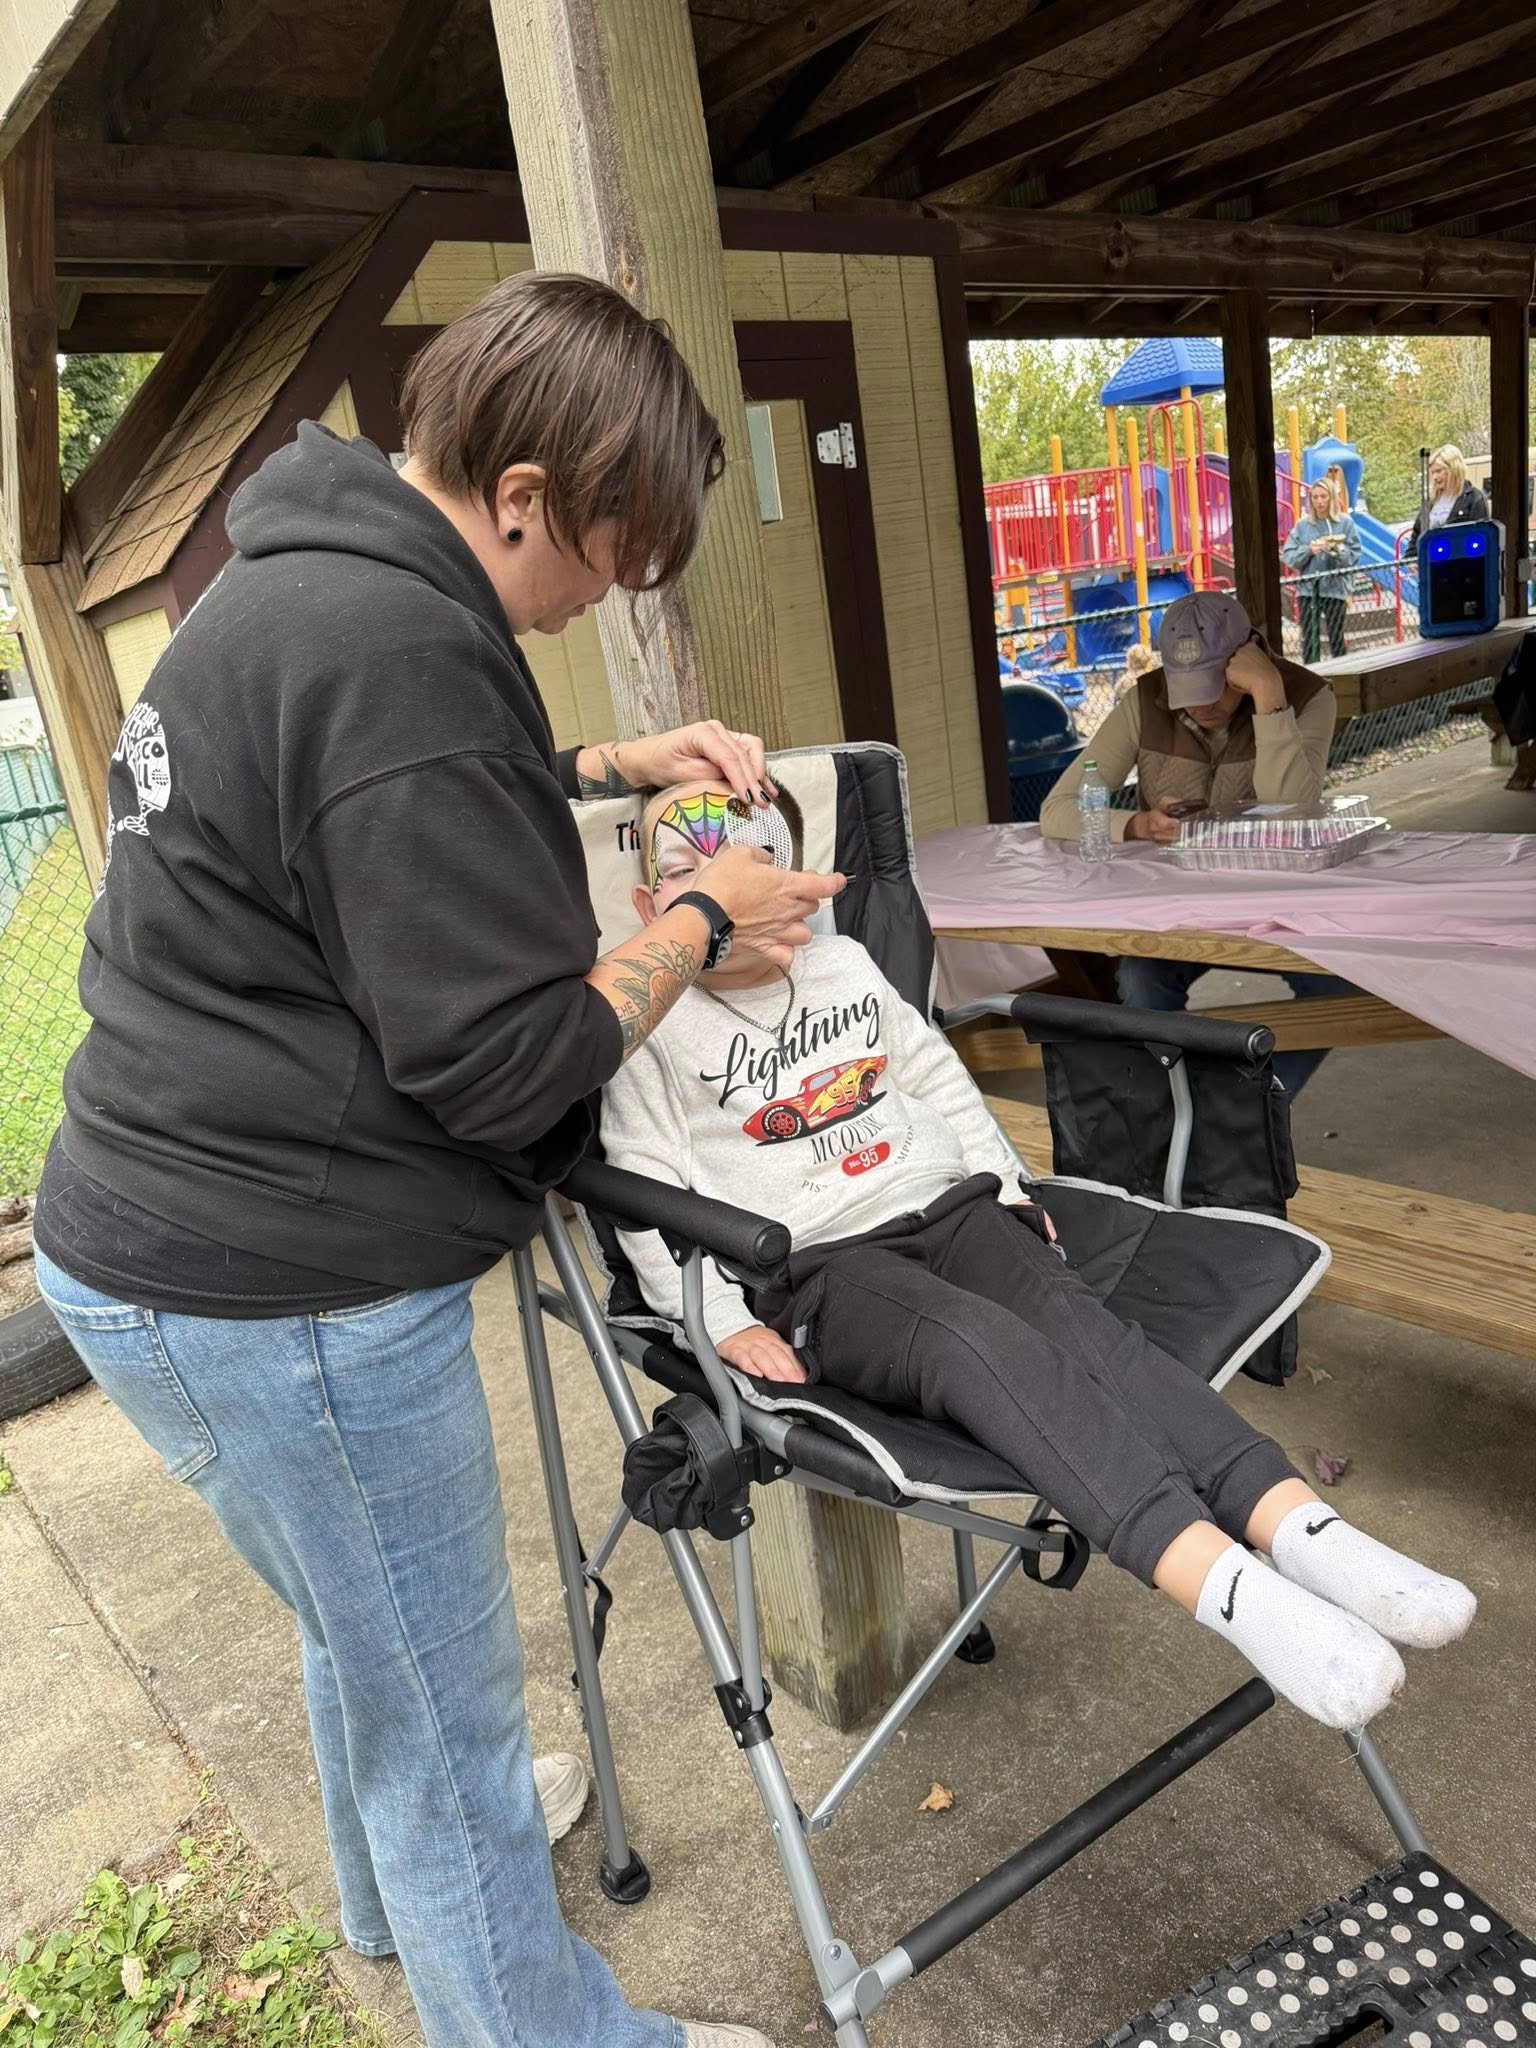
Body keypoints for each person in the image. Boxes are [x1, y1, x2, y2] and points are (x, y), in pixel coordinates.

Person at [31, 272, 846, 2048]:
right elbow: (505, 1061)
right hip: (284, 1282)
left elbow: (401, 779)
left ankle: (381, 1900)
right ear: (525, 497)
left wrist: (613, 762)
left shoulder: (300, 580)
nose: (597, 606)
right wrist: (706, 911)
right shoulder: (396, 650)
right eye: (606, 562)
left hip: (140, 1246)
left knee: (359, 1627)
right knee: (449, 1713)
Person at [602, 778, 1475, 1737]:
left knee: (1081, 1329)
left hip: (949, 1205)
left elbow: (932, 1071)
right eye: (690, 878)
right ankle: (1235, 1595)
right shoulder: (644, 1026)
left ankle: (1310, 1535)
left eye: (750, 866)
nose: (725, 893)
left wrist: (1007, 1183)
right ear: (653, 910)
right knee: (970, 1343)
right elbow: (642, 1188)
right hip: (816, 1263)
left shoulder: (845, 964)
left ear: (801, 887)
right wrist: (718, 1318)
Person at [1038, 590, 1347, 1096]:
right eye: (1188, 687)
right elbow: (1058, 809)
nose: (1202, 704)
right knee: (1139, 978)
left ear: (1246, 659)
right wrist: (1137, 826)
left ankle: (1253, 1111)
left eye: (1217, 686)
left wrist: (1269, 695)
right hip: (1177, 905)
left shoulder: (1306, 694)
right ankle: (1175, 1110)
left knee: (1337, 992)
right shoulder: (1146, 697)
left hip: (1278, 903)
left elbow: (1295, 813)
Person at [1282, 477, 1361, 662]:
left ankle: (1342, 672)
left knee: (1336, 635)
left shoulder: (1345, 523)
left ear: (1331, 498)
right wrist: (1308, 550)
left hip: (1335, 589)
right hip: (1309, 590)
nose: (1319, 501)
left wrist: (1338, 549)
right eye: (1315, 497)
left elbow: (1354, 556)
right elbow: (1289, 556)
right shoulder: (1303, 525)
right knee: (1309, 638)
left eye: (1323, 496)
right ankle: (1312, 674)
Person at [1407, 445, 1488, 549]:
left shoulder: (1474, 497)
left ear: (1454, 469)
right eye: (1432, 472)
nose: (1435, 477)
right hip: (1430, 562)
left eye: (1439, 471)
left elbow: (1483, 536)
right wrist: (1411, 558)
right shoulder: (1430, 501)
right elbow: (1416, 534)